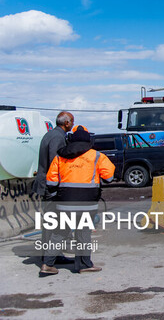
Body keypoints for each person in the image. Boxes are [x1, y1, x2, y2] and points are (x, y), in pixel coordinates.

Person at [43, 125, 115, 274]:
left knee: (59, 233)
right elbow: (109, 177)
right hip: (87, 204)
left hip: (64, 203)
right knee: (83, 234)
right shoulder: (97, 156)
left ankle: (47, 264)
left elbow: (51, 183)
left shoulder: (60, 156)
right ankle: (84, 264)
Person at [32, 111, 74, 197]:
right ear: (66, 123)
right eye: (72, 121)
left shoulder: (51, 134)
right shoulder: (58, 137)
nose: (73, 124)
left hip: (47, 182)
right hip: (50, 185)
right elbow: (54, 162)